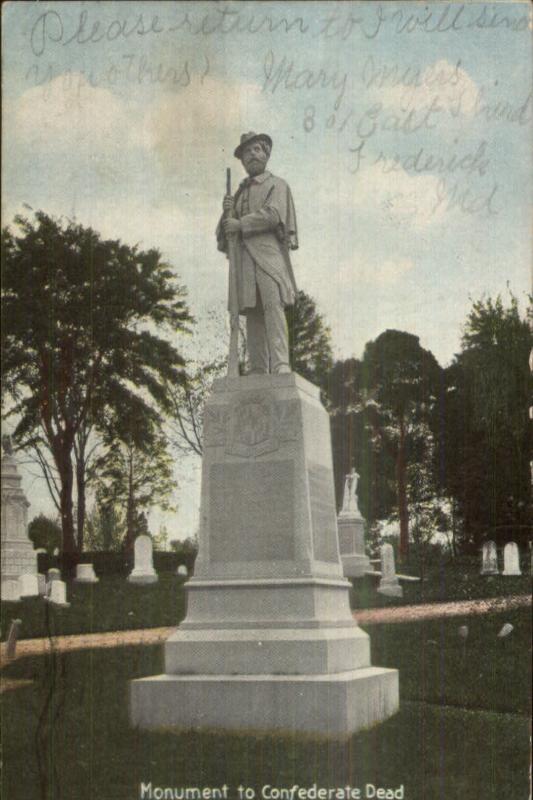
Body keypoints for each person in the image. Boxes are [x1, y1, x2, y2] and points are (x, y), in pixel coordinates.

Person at [217, 131, 298, 375]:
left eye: (256, 150)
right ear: (241, 161)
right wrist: (226, 215)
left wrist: (241, 224)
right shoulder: (239, 193)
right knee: (252, 313)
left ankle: (281, 362)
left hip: (268, 256)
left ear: (266, 154)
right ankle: (259, 367)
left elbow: (274, 215)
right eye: (246, 152)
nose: (252, 155)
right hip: (245, 261)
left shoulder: (277, 184)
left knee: (273, 306)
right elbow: (225, 235)